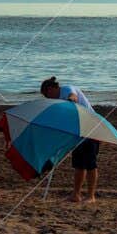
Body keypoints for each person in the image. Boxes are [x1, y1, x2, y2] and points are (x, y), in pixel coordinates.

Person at [41, 75, 99, 203]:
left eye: (46, 95)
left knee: (90, 164)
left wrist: (71, 100)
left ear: (50, 89)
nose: (47, 98)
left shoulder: (67, 89)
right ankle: (76, 195)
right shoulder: (57, 101)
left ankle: (91, 196)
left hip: (90, 127)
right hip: (77, 132)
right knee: (79, 164)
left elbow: (73, 96)